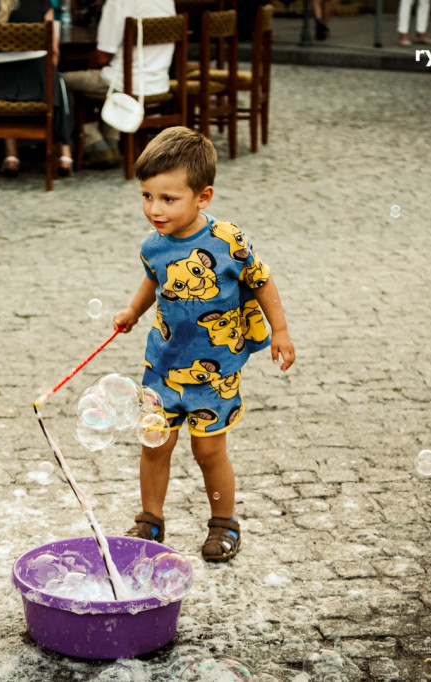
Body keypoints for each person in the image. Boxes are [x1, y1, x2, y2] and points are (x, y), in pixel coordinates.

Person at [113, 127, 295, 562]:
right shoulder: (152, 245)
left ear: (203, 196)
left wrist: (281, 331)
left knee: (208, 449)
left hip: (215, 371)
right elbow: (154, 280)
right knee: (154, 445)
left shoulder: (227, 240)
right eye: (146, 196)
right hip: (161, 366)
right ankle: (150, 519)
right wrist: (133, 312)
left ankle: (223, 523)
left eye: (168, 199)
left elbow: (262, 280)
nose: (154, 209)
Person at [61, 0, 174, 169]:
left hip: (125, 82)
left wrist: (88, 64)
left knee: (60, 80)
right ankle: (112, 141)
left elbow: (102, 57)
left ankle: (95, 143)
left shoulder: (118, 2)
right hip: (158, 81)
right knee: (101, 80)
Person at [0, 0, 75, 177]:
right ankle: (65, 155)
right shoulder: (40, 3)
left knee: (5, 78)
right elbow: (54, 50)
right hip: (39, 88)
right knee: (59, 83)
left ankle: (11, 155)